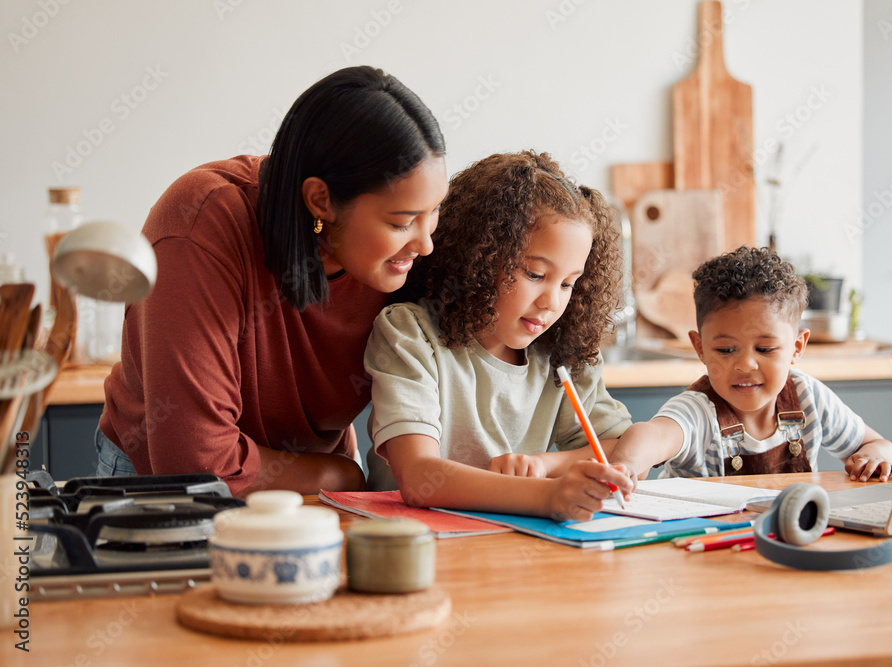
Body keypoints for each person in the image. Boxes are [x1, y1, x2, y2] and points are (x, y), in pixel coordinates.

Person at [96, 66, 449, 496]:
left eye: (434, 212)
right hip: (167, 492)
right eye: (402, 222)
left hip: (315, 476)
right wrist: (343, 474)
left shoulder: (396, 256)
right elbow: (199, 466)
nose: (426, 244)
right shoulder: (198, 228)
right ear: (321, 200)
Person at [364, 151, 634, 521]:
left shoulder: (561, 355)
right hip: (407, 542)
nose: (552, 302)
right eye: (535, 275)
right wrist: (544, 494)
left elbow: (621, 449)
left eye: (569, 283)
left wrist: (543, 465)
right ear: (480, 257)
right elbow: (419, 477)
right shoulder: (412, 334)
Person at [609, 246, 892, 483]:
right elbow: (653, 434)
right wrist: (627, 464)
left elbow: (878, 445)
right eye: (725, 349)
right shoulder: (697, 411)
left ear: (796, 347)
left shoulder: (807, 396)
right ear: (700, 348)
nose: (746, 364)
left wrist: (876, 457)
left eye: (765, 348)